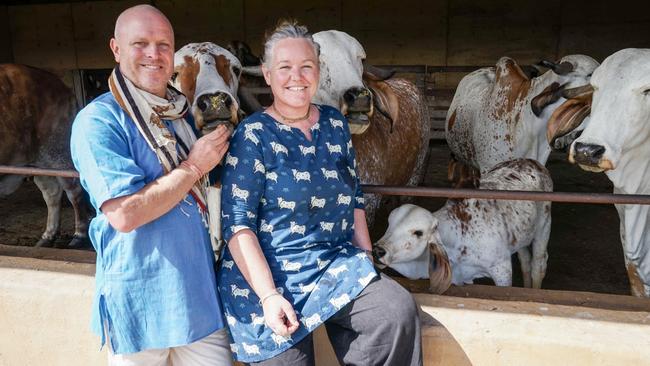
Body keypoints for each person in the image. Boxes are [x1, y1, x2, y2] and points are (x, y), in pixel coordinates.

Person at [218, 20, 422, 365]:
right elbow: (238, 226)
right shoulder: (252, 136)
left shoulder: (334, 124)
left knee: (395, 313)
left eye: (306, 66)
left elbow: (353, 195)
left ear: (318, 71)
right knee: (287, 358)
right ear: (267, 74)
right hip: (270, 275)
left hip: (334, 264)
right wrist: (268, 297)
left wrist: (367, 259)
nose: (296, 77)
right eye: (285, 68)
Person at [70, 5, 232, 365]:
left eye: (163, 44)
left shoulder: (183, 114)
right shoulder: (99, 120)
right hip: (140, 310)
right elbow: (125, 214)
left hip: (201, 303)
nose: (153, 54)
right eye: (140, 43)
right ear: (115, 48)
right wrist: (192, 167)